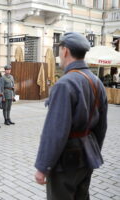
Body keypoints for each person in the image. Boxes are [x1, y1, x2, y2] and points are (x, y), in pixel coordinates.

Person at [34, 32, 108, 200]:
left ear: (65, 51)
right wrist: (94, 151)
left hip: (66, 160)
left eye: (59, 50)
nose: (59, 54)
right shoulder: (96, 81)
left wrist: (42, 166)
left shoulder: (65, 84)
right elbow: (102, 127)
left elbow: (55, 132)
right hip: (88, 155)